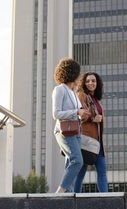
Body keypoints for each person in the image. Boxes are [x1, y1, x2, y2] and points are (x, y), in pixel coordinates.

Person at [52, 58, 91, 193]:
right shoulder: (60, 90)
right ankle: (60, 192)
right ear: (72, 73)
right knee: (77, 161)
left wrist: (83, 114)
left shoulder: (74, 93)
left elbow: (79, 113)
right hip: (64, 131)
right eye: (78, 73)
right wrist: (76, 111)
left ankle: (69, 193)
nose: (79, 76)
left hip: (76, 132)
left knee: (71, 163)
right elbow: (56, 114)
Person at [74, 72, 108, 193]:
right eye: (88, 81)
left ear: (97, 83)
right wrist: (93, 118)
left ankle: (107, 200)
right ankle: (75, 198)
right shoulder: (81, 95)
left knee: (102, 172)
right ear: (84, 83)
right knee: (80, 173)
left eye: (93, 81)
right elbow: (80, 114)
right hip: (86, 140)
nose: (91, 83)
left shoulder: (96, 100)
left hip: (98, 142)